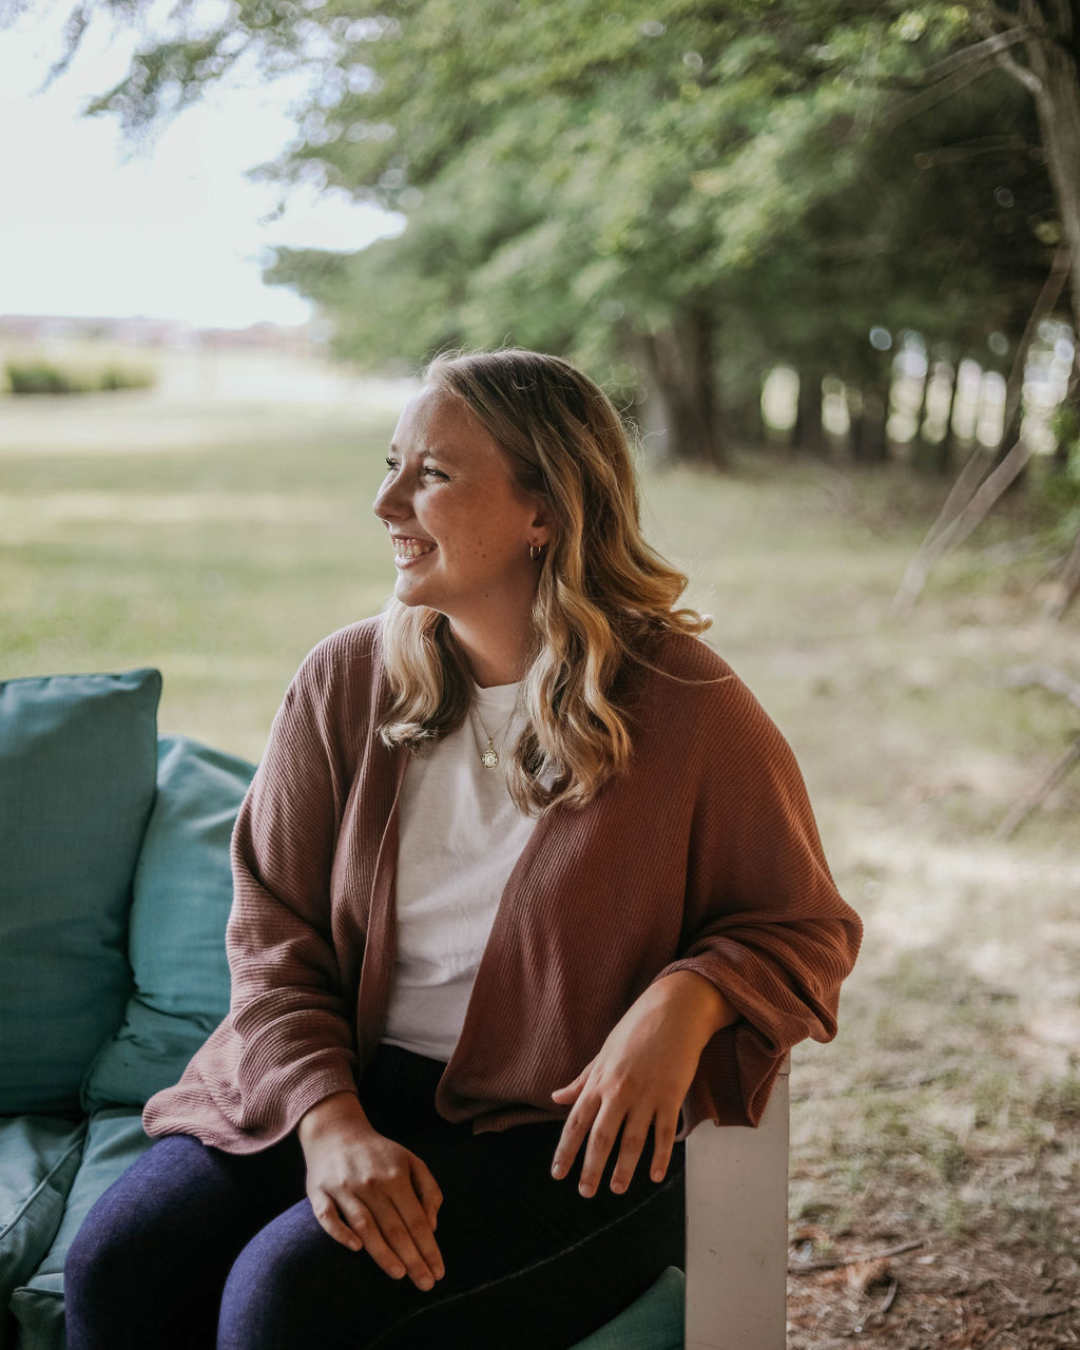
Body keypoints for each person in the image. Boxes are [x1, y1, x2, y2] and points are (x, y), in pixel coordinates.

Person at [63, 347, 863, 1350]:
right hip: (339, 1076)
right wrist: (330, 1124)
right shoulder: (344, 681)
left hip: (562, 1138)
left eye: (432, 473)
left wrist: (684, 999)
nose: (387, 501)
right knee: (119, 1270)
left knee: (285, 1306)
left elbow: (804, 928)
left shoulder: (685, 705)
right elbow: (272, 942)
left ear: (547, 511)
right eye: (392, 463)